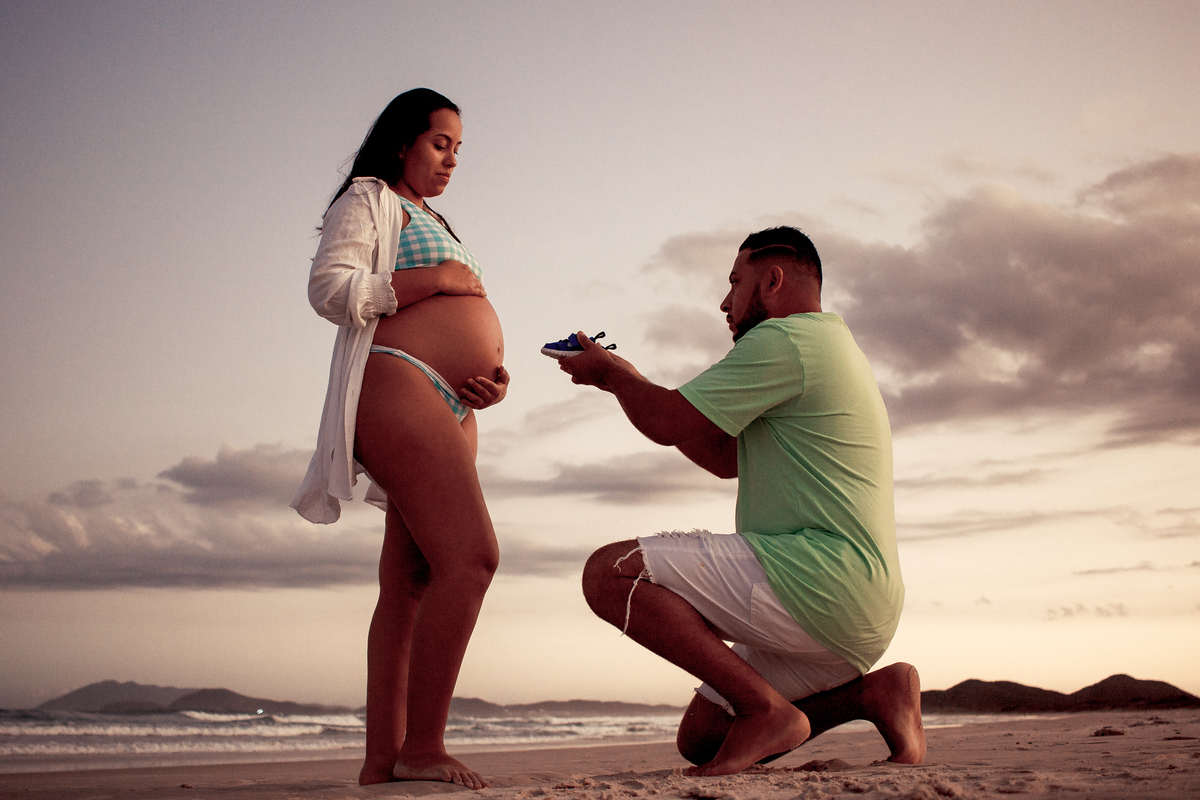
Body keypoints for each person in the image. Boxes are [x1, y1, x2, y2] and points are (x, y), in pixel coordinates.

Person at [558, 226, 925, 777]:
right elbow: (723, 456)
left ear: (772, 280)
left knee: (608, 573)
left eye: (735, 282)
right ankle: (872, 695)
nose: (725, 301)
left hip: (820, 578)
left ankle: (766, 710)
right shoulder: (826, 345)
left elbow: (664, 421)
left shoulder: (788, 339)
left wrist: (611, 377)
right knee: (702, 737)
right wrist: (629, 378)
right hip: (857, 609)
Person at [292, 89, 507, 789]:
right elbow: (331, 289)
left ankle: (383, 759)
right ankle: (425, 746)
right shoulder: (369, 198)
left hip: (451, 402)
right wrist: (433, 279)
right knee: (472, 559)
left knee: (409, 581)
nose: (451, 160)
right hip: (398, 382)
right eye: (440, 143)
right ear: (401, 142)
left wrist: (488, 379)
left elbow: (459, 320)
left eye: (459, 150)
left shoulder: (435, 216)